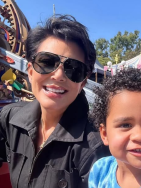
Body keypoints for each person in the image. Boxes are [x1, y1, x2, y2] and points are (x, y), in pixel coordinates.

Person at [0, 15, 110, 188]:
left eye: (73, 69)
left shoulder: (95, 147)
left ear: (82, 83)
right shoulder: (10, 120)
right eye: (47, 62)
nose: (58, 75)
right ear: (30, 71)